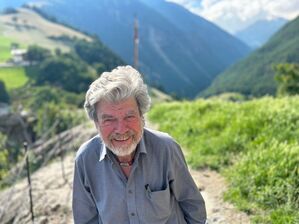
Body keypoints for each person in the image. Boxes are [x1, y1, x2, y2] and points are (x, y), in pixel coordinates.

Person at [72, 65, 207, 224]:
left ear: (142, 117)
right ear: (96, 123)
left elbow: (193, 206)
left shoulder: (165, 148)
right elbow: (85, 220)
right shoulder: (85, 159)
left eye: (129, 117)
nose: (121, 129)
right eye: (109, 119)